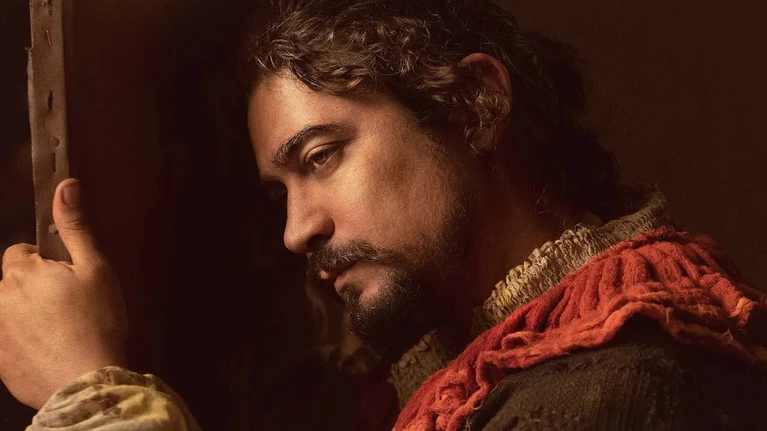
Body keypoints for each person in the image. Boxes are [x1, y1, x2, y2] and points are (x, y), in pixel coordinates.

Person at [2, 0, 766, 429]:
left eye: (320, 156)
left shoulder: (618, 385)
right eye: (279, 192)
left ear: (472, 107)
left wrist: (90, 391)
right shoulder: (471, 377)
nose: (296, 230)